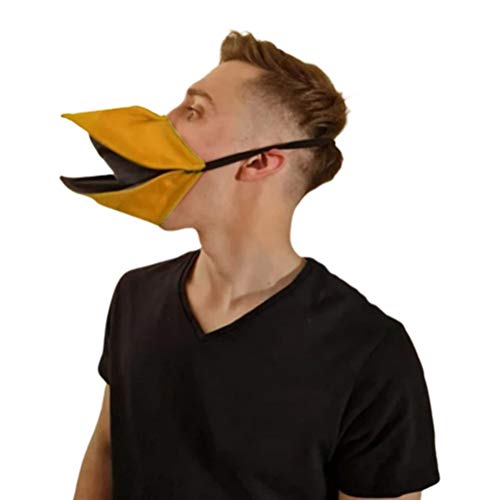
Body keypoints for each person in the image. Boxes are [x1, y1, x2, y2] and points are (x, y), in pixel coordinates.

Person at [73, 30, 440, 500]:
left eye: (194, 110)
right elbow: (107, 451)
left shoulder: (369, 352)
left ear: (259, 163)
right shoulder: (136, 295)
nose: (166, 120)